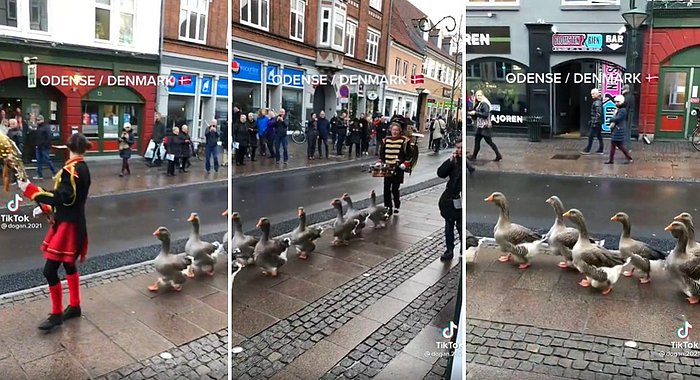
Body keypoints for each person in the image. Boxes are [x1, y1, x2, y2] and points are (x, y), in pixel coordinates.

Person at [17, 133, 92, 331]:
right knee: (68, 266)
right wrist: (49, 208)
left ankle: (57, 314)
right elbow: (70, 201)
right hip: (75, 223)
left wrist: (31, 190)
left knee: (49, 271)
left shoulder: (71, 169)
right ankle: (74, 306)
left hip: (68, 227)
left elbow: (63, 198)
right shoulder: (83, 167)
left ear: (67, 148)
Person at [437, 140, 463, 261]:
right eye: (458, 148)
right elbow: (441, 173)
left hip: (461, 197)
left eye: (462, 148)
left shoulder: (465, 162)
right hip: (451, 197)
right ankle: (450, 250)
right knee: (449, 223)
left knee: (460, 224)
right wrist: (450, 161)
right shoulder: (454, 161)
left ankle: (464, 247)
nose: (459, 150)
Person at [380, 123, 411, 214]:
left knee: (394, 189)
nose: (394, 132)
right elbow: (382, 153)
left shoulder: (404, 141)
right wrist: (380, 161)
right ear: (391, 130)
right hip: (387, 168)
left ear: (399, 131)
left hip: (397, 168)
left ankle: (396, 204)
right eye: (393, 130)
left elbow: (408, 155)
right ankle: (388, 207)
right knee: (386, 188)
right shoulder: (386, 140)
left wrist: (405, 164)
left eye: (396, 130)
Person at [468, 90, 502, 162]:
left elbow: (486, 114)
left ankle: (498, 155)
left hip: (484, 127)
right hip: (481, 127)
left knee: (489, 142)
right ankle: (474, 156)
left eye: (480, 95)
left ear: (483, 96)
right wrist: (473, 114)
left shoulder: (484, 104)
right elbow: (478, 115)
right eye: (477, 95)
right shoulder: (479, 104)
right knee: (478, 140)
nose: (478, 97)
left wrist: (475, 113)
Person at [605, 95, 633, 165]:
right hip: (618, 129)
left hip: (619, 129)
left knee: (618, 146)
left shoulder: (622, 110)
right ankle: (612, 159)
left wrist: (611, 119)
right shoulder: (620, 109)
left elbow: (618, 118)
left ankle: (628, 158)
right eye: (616, 102)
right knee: (618, 145)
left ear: (622, 102)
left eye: (618, 102)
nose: (616, 103)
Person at [580, 88, 605, 155]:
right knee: (599, 135)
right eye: (591, 94)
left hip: (596, 122)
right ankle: (600, 149)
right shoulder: (597, 101)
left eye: (593, 94)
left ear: (597, 94)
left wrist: (594, 121)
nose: (592, 95)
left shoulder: (597, 102)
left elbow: (598, 113)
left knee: (591, 135)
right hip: (598, 122)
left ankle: (588, 149)